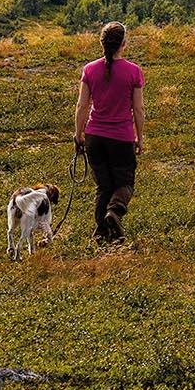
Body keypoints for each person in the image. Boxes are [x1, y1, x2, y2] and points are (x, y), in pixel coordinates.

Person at [74, 21, 145, 244]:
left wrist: (79, 134)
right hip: (121, 137)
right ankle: (114, 213)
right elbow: (138, 109)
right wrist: (139, 138)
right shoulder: (133, 71)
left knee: (103, 186)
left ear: (101, 42)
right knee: (125, 184)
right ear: (123, 44)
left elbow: (82, 106)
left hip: (94, 136)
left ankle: (102, 234)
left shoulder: (89, 69)